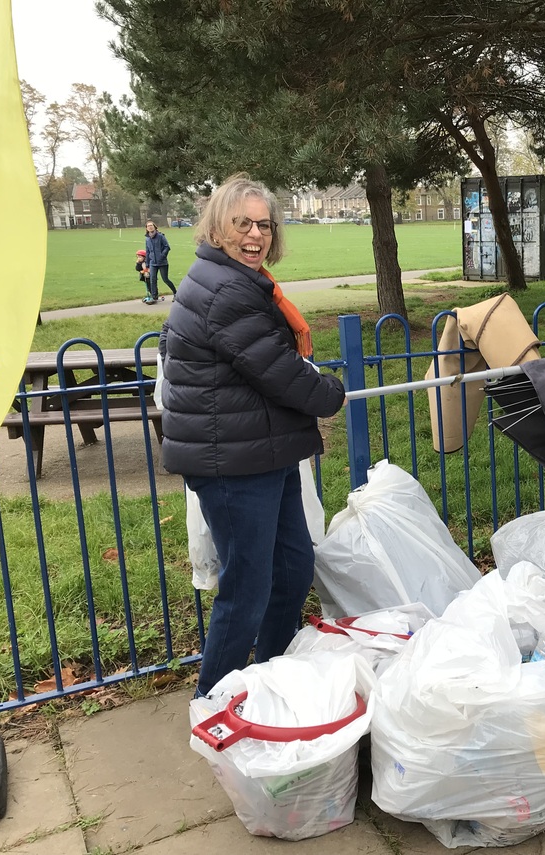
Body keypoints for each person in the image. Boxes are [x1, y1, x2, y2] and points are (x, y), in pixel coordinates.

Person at [158, 173, 346, 696]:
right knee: (248, 588)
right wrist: (328, 393)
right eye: (242, 223)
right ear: (218, 228)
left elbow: (266, 368)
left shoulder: (238, 281)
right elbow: (279, 371)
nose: (255, 235)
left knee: (292, 567)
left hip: (263, 450)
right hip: (232, 464)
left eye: (264, 224)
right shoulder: (227, 291)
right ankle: (212, 701)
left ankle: (269, 677)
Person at [144, 220, 177, 303]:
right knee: (152, 280)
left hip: (162, 262)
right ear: (146, 228)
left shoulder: (160, 236)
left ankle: (176, 293)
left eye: (151, 225)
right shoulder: (147, 238)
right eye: (148, 226)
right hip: (152, 262)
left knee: (165, 279)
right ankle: (154, 297)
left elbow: (167, 247)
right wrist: (147, 263)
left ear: (154, 226)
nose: (150, 227)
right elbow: (147, 251)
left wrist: (162, 256)